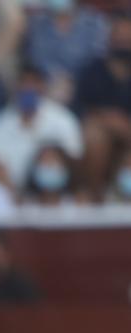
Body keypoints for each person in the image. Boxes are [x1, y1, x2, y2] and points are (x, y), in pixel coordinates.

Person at [0, 64, 83, 187]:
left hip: (56, 196)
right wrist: (15, 199)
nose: (28, 88)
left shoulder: (63, 119)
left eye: (34, 83)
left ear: (43, 86)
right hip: (12, 197)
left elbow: (74, 160)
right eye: (24, 83)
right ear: (15, 87)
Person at [73, 13, 131, 199]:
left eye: (127, 35)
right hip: (102, 131)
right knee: (94, 136)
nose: (122, 40)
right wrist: (108, 119)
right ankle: (95, 198)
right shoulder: (92, 70)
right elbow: (79, 108)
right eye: (118, 34)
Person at [24, 0, 108, 104]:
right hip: (46, 85)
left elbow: (97, 58)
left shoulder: (95, 22)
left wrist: (70, 80)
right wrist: (55, 77)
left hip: (84, 86)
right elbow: (36, 56)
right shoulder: (37, 22)